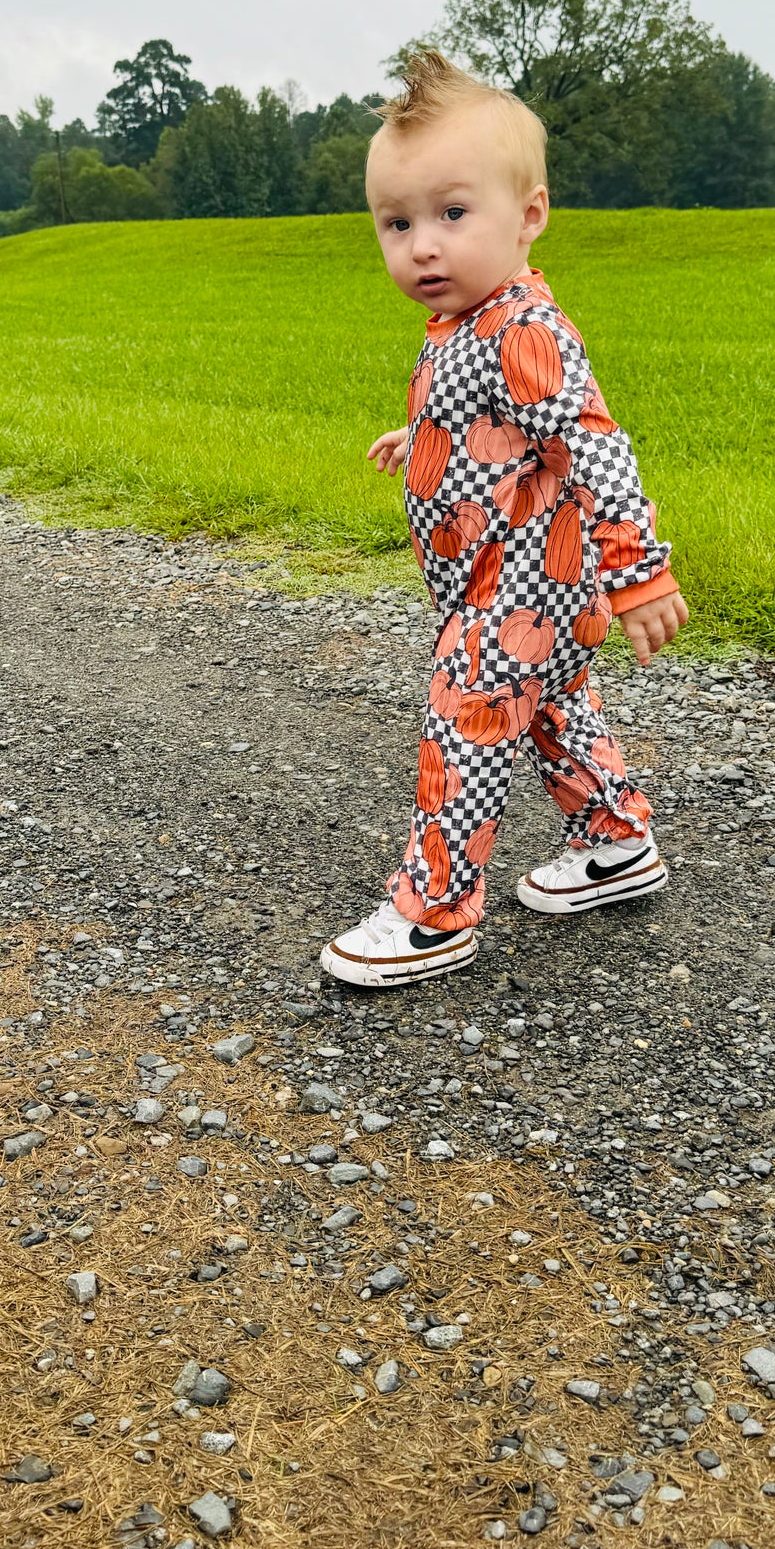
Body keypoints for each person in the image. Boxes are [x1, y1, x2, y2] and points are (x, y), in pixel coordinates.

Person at [318, 51, 688, 987]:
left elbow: (591, 444)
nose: (422, 246)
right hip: (513, 584)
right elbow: (504, 427)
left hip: (523, 584)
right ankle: (612, 842)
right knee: (552, 711)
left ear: (529, 217)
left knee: (466, 722)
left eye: (451, 214)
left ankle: (434, 911)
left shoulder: (522, 327)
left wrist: (640, 568)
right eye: (395, 223)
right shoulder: (470, 325)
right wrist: (427, 437)